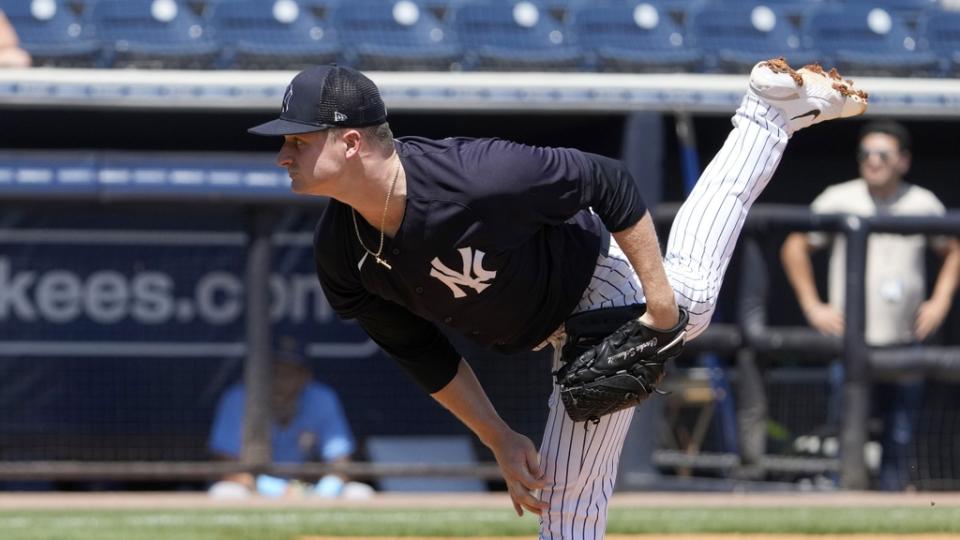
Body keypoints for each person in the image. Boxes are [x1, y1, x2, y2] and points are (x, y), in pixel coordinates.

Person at [248, 58, 866, 538]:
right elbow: (419, 350)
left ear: (351, 142)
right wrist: (496, 435)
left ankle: (761, 117)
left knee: (570, 497)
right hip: (548, 324)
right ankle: (765, 116)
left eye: (298, 141)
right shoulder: (339, 251)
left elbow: (610, 181)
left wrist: (658, 309)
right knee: (692, 304)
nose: (282, 154)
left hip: (595, 280)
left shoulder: (476, 175)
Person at [781, 120, 960, 491]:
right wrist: (813, 306)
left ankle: (894, 505)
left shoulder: (922, 201)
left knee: (900, 435)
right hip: (851, 342)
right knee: (844, 433)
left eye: (883, 154)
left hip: (905, 341)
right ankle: (841, 508)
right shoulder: (839, 197)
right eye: (866, 154)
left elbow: (953, 249)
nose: (873, 161)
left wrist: (940, 301)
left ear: (903, 161)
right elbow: (794, 245)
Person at [207, 337, 366, 499]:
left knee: (359, 493)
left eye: (287, 373)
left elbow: (342, 462)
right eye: (273, 372)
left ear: (304, 376)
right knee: (226, 492)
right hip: (253, 488)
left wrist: (325, 489)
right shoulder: (238, 399)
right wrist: (276, 489)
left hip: (307, 490)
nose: (278, 381)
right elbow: (225, 466)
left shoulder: (321, 399)